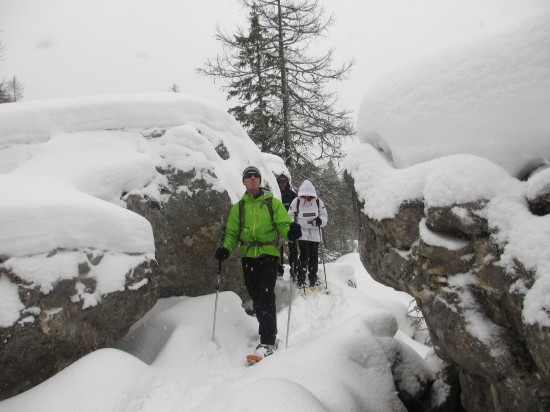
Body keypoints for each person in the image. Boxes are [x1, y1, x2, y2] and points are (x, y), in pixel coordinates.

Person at [215, 166, 302, 359]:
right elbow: (232, 233)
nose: (253, 178)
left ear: (260, 180)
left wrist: (290, 232)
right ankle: (266, 332)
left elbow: (283, 223)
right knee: (256, 297)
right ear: (244, 181)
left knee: (265, 295)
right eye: (249, 176)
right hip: (248, 256)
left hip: (268, 254)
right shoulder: (240, 207)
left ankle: (268, 340)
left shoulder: (272, 203)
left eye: (256, 176)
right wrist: (226, 249)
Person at [288, 179, 328, 288]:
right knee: (304, 254)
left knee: (314, 256)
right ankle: (301, 275)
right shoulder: (296, 202)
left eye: (309, 196)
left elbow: (324, 216)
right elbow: (290, 215)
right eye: (304, 196)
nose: (307, 198)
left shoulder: (318, 202)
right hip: (302, 233)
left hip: (315, 233)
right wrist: (293, 225)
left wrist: (321, 221)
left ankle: (312, 276)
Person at [276, 173, 298, 276]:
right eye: (280, 182)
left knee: (293, 246)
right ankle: (279, 268)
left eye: (283, 182)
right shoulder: (275, 194)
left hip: (290, 223)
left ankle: (293, 266)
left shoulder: (292, 195)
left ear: (287, 182)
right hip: (278, 223)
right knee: (278, 246)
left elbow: (298, 207)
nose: (282, 184)